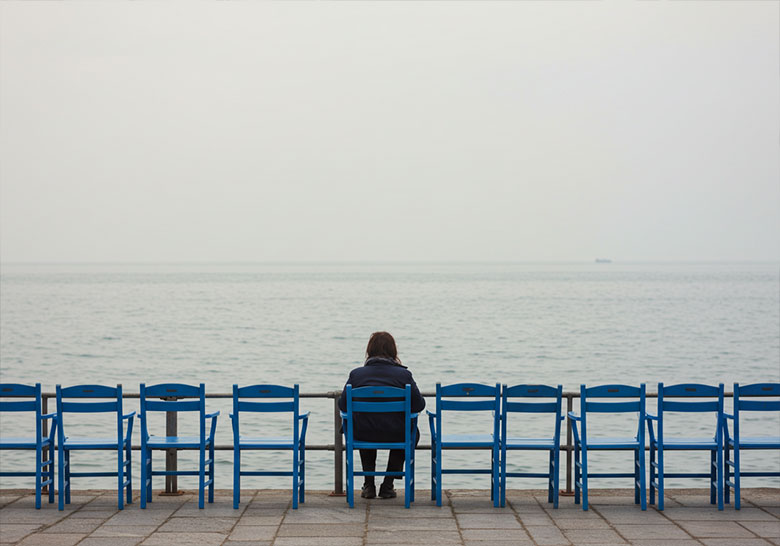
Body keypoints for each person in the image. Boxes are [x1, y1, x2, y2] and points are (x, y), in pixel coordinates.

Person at [338, 331, 426, 499]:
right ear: (393, 351)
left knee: (365, 424)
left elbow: (342, 405)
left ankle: (369, 485)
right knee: (409, 432)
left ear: (369, 351)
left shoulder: (356, 374)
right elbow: (420, 404)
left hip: (362, 433)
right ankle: (388, 484)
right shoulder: (404, 375)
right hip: (395, 433)